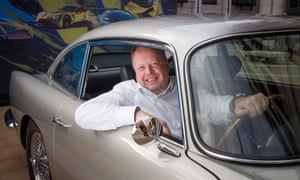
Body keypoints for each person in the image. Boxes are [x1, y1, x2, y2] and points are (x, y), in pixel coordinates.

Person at [75, 46, 269, 140]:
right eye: (141, 68)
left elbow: (208, 104)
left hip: (196, 152)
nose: (148, 72)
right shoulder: (127, 91)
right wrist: (137, 114)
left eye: (154, 65)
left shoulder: (182, 85)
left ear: (167, 66)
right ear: (134, 72)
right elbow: (82, 114)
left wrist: (234, 105)